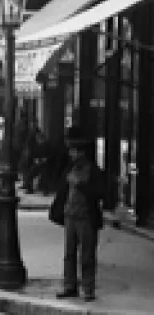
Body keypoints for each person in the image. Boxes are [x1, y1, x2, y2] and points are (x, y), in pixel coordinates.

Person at [52, 126, 104, 301]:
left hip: (86, 217)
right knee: (69, 254)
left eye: (74, 151)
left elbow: (99, 192)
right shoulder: (69, 168)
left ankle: (88, 288)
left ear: (81, 152)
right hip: (70, 215)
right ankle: (70, 285)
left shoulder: (92, 170)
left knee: (87, 255)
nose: (71, 154)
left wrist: (81, 184)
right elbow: (60, 185)